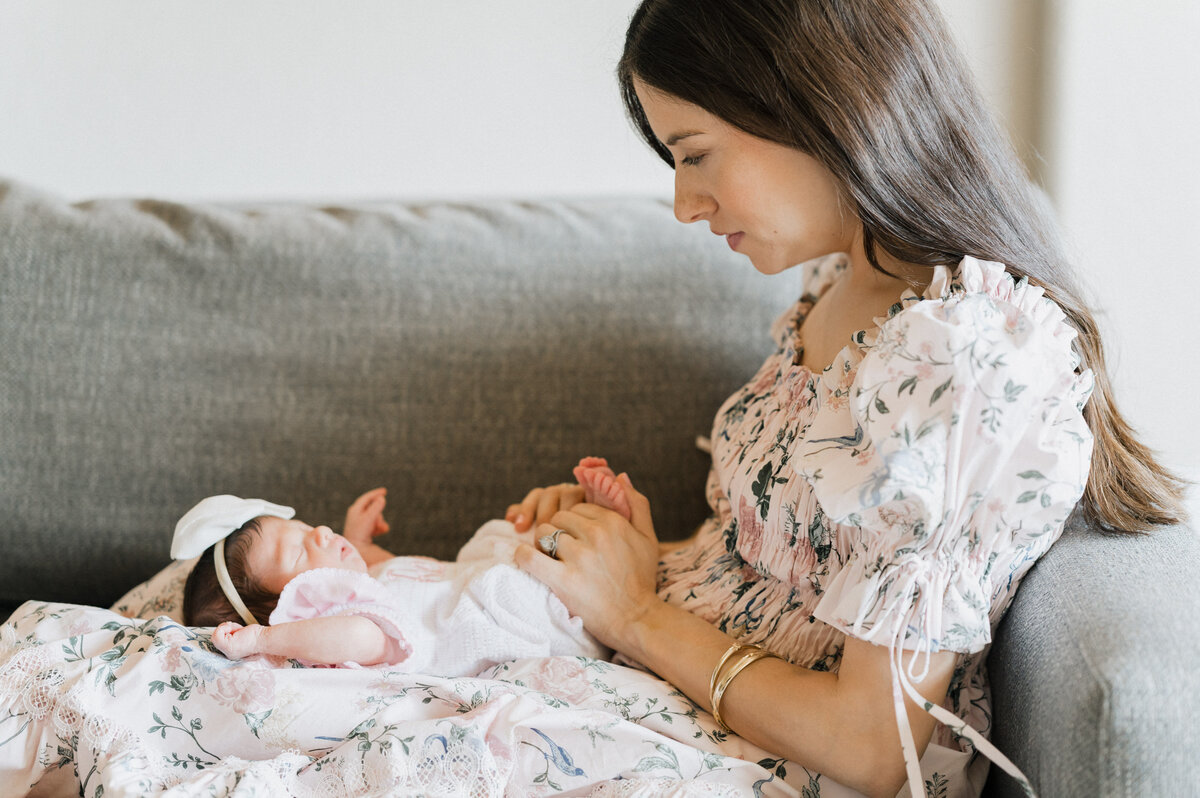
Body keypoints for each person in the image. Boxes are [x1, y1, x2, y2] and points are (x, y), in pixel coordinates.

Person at [506, 2, 1191, 797]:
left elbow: (871, 745)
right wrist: (635, 557)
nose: (685, 205)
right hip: (672, 691)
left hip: (763, 758)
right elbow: (782, 574)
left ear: (820, 107)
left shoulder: (962, 359)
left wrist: (633, 613)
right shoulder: (844, 282)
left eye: (693, 155)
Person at [176, 458, 628, 673]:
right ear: (291, 611)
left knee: (493, 539)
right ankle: (608, 548)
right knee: (511, 579)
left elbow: (395, 572)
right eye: (296, 553)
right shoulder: (348, 632)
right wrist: (265, 639)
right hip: (496, 621)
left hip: (467, 581)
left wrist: (358, 542)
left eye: (306, 527)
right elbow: (360, 633)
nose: (320, 533)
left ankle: (600, 536)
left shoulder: (366, 584)